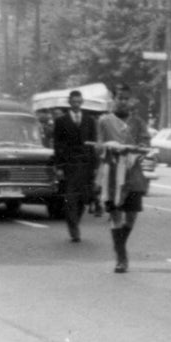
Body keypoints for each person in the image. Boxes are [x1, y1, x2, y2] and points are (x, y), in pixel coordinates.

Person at [94, 82, 151, 272]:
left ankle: (120, 244)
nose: (124, 102)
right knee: (115, 215)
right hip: (112, 174)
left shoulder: (138, 122)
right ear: (113, 99)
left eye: (127, 99)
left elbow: (145, 144)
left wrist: (136, 152)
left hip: (133, 173)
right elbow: (99, 147)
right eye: (120, 98)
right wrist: (108, 147)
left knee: (132, 216)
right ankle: (121, 257)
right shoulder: (104, 121)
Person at [51, 90, 98, 243]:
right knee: (71, 197)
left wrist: (95, 165)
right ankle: (73, 229)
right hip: (69, 164)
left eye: (79, 101)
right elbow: (57, 145)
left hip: (86, 164)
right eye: (74, 101)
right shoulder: (61, 121)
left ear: (82, 102)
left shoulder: (90, 121)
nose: (77, 104)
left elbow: (94, 145)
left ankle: (75, 221)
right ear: (69, 102)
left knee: (83, 197)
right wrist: (58, 166)